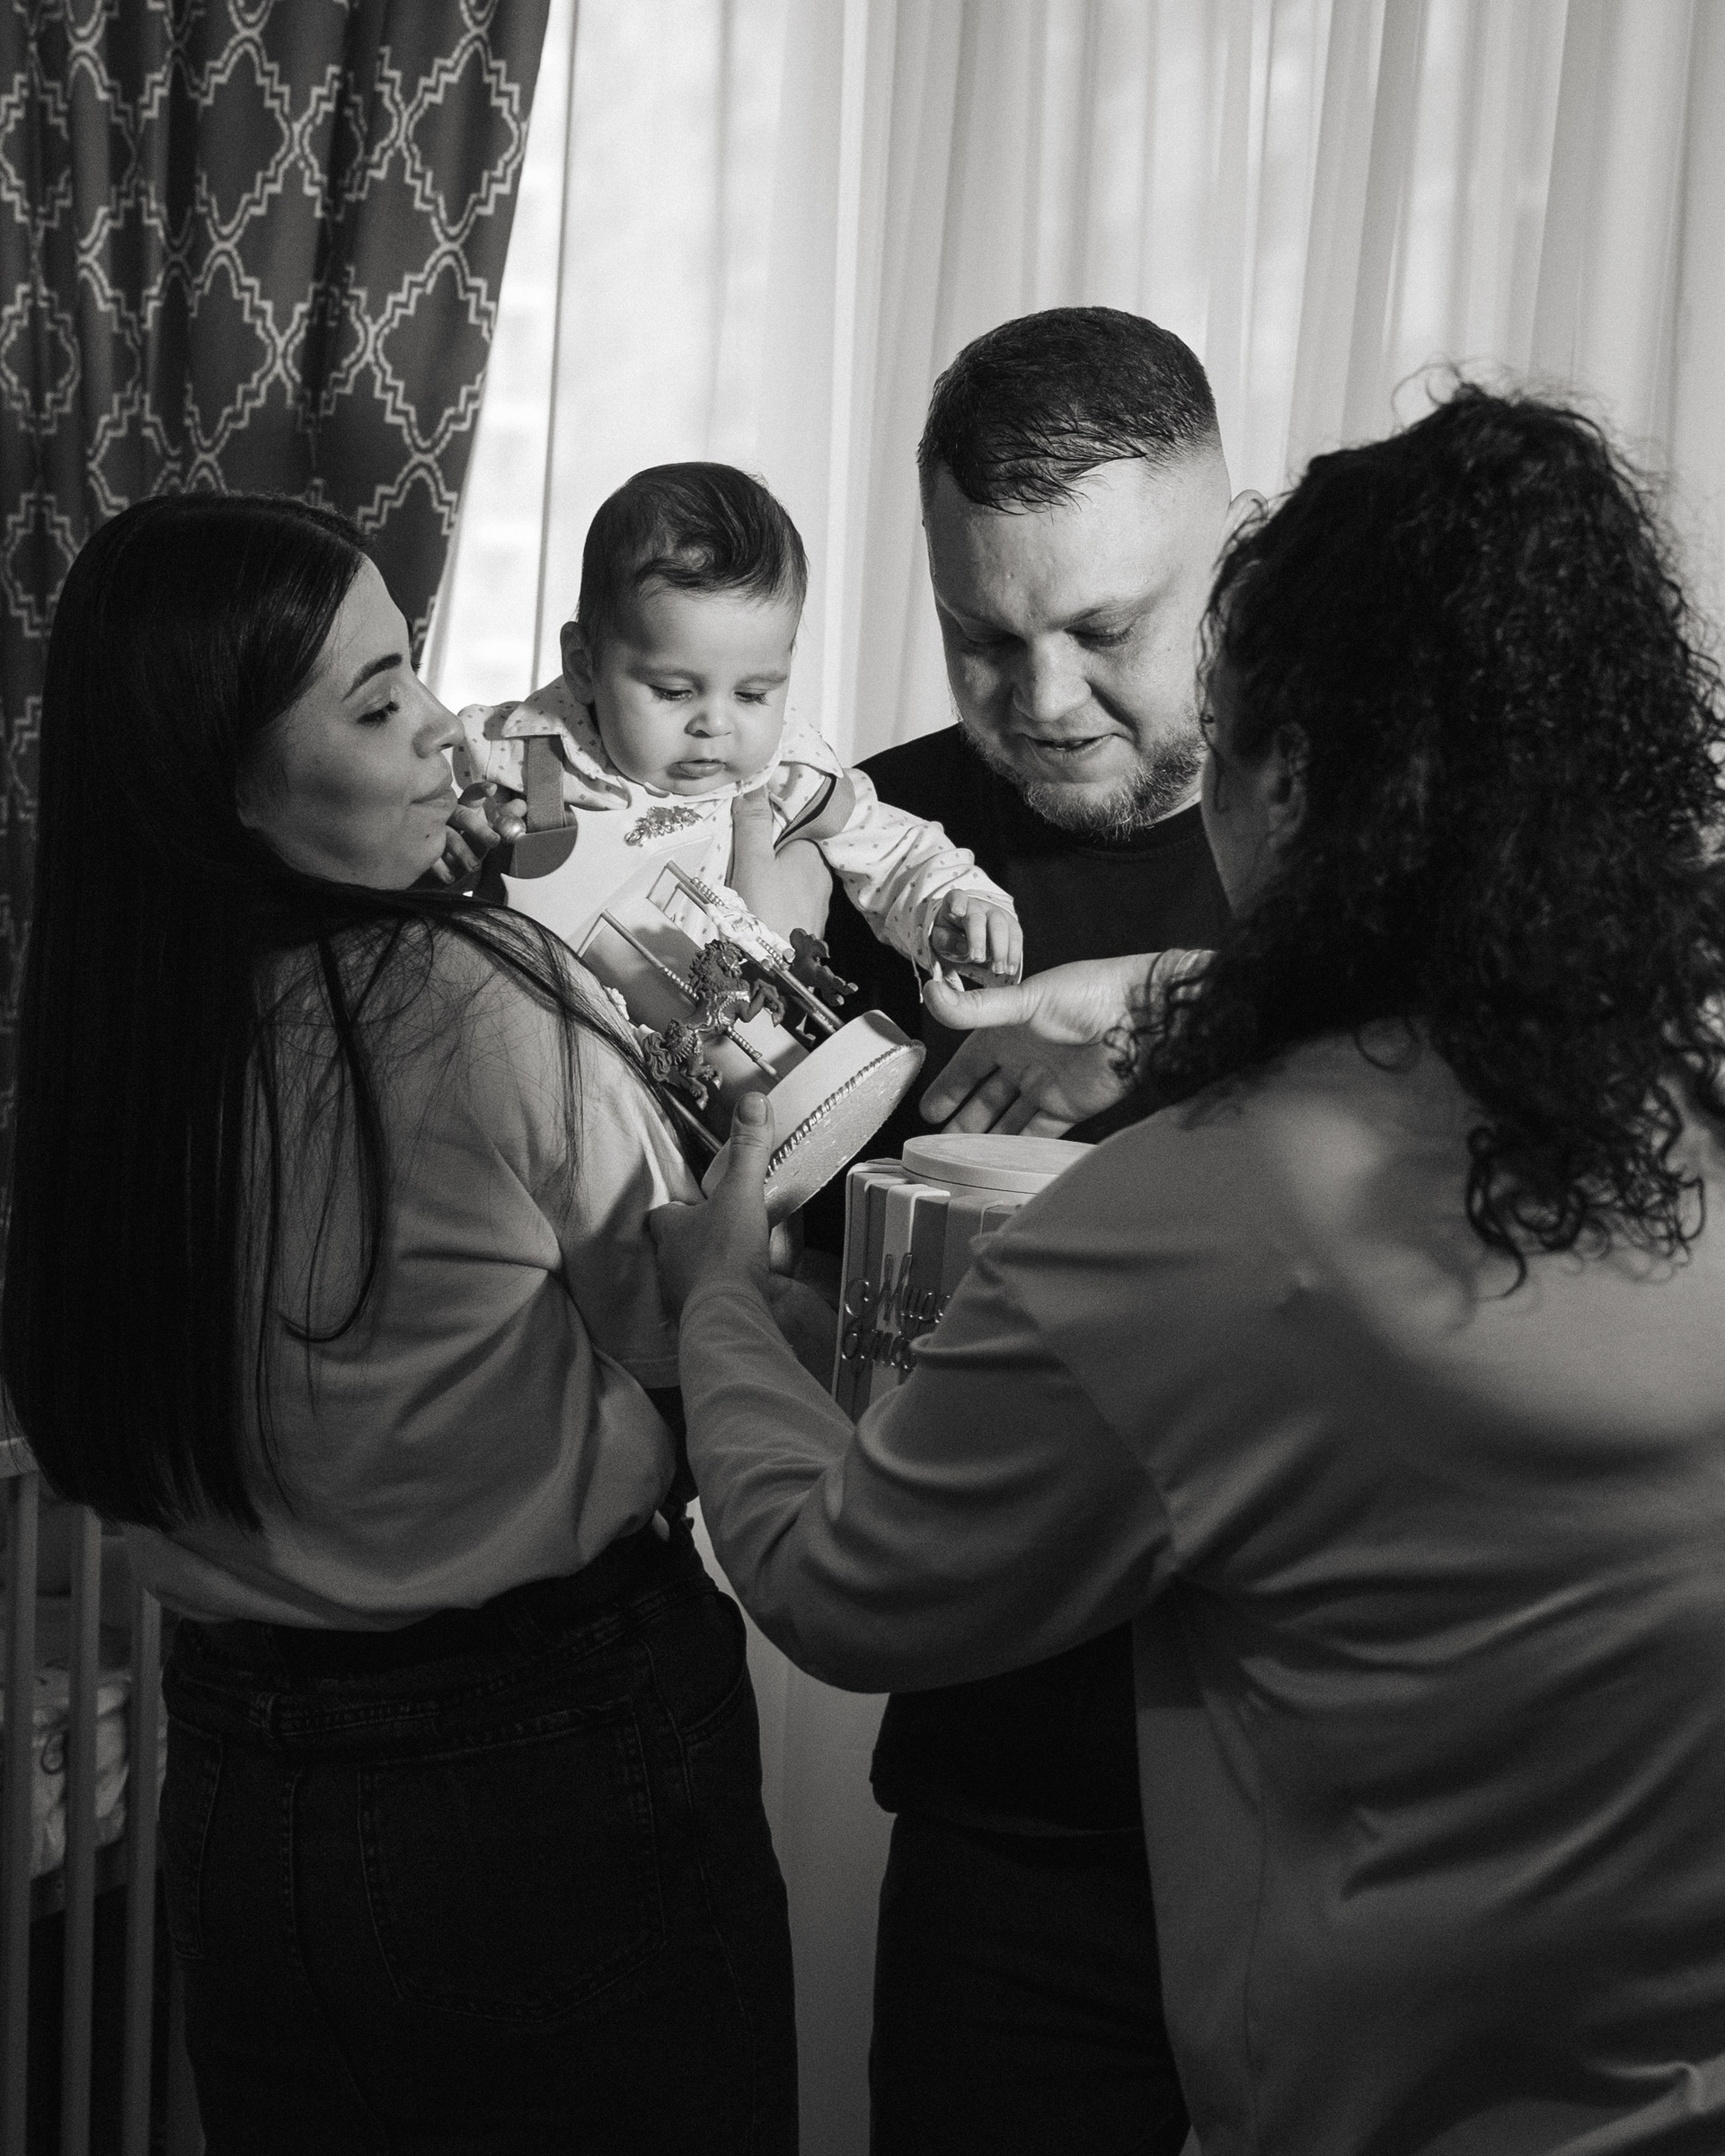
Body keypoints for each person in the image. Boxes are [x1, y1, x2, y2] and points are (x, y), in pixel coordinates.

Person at [650, 384, 1725, 2155]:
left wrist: (714, 1293)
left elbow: (844, 1581)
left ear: (1282, 774)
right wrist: (1148, 999)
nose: (1050, 695)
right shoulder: (1678, 1067)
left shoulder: (1198, 1208)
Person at [0, 494, 796, 2154]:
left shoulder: (106, 1046)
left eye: (414, 673)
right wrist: (735, 1249)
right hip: (543, 1762)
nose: (449, 729)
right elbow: (669, 1339)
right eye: (376, 708)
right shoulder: (476, 995)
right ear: (228, 783)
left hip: (239, 1782)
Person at [805, 305, 1252, 2156]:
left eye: (1107, 631)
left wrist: (1162, 1026)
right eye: (984, 638)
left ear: (1224, 557)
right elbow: (802, 1291)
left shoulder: (1384, 821)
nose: (1046, 699)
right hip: (1010, 1808)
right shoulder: (875, 848)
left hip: (1351, 1798)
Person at [453, 461, 1022, 982]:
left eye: (753, 694)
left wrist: (956, 907)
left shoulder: (789, 776)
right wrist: (459, 854)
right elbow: (430, 858)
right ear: (584, 666)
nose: (715, 725)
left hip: (734, 1039)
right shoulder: (526, 757)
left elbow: (895, 853)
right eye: (674, 692)